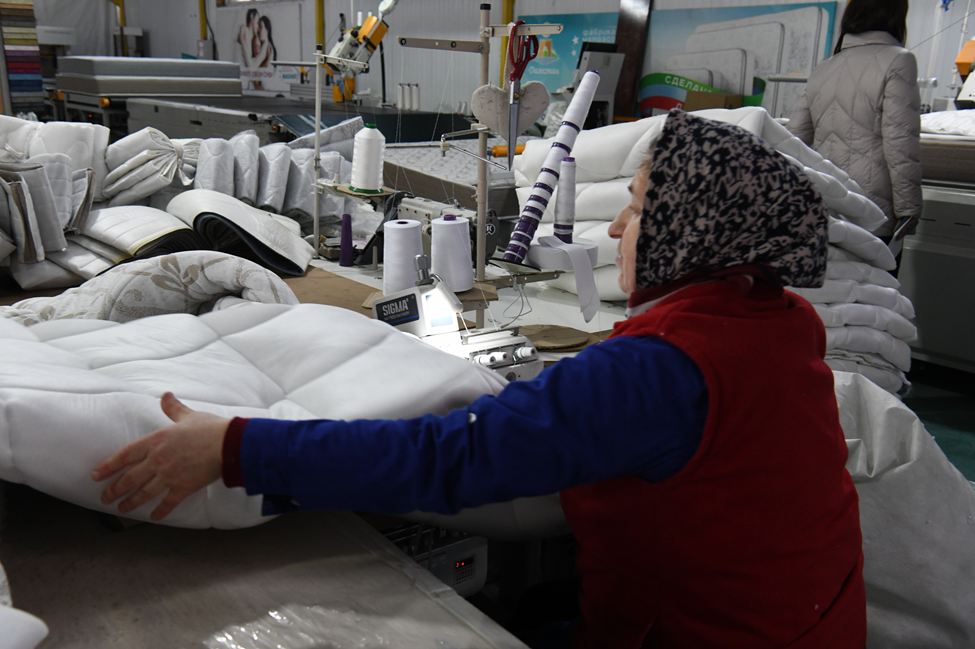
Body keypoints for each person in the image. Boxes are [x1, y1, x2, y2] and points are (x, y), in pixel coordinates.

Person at [93, 110, 866, 648]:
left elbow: (451, 457)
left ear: (690, 229)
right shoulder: (777, 317)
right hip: (805, 625)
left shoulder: (658, 369)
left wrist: (234, 448)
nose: (615, 228)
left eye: (635, 210)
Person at [788, 0, 921, 267]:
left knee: (835, 286)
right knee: (878, 288)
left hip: (829, 201)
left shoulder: (826, 67)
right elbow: (900, 141)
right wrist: (909, 209)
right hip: (873, 208)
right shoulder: (899, 59)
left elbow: (794, 139)